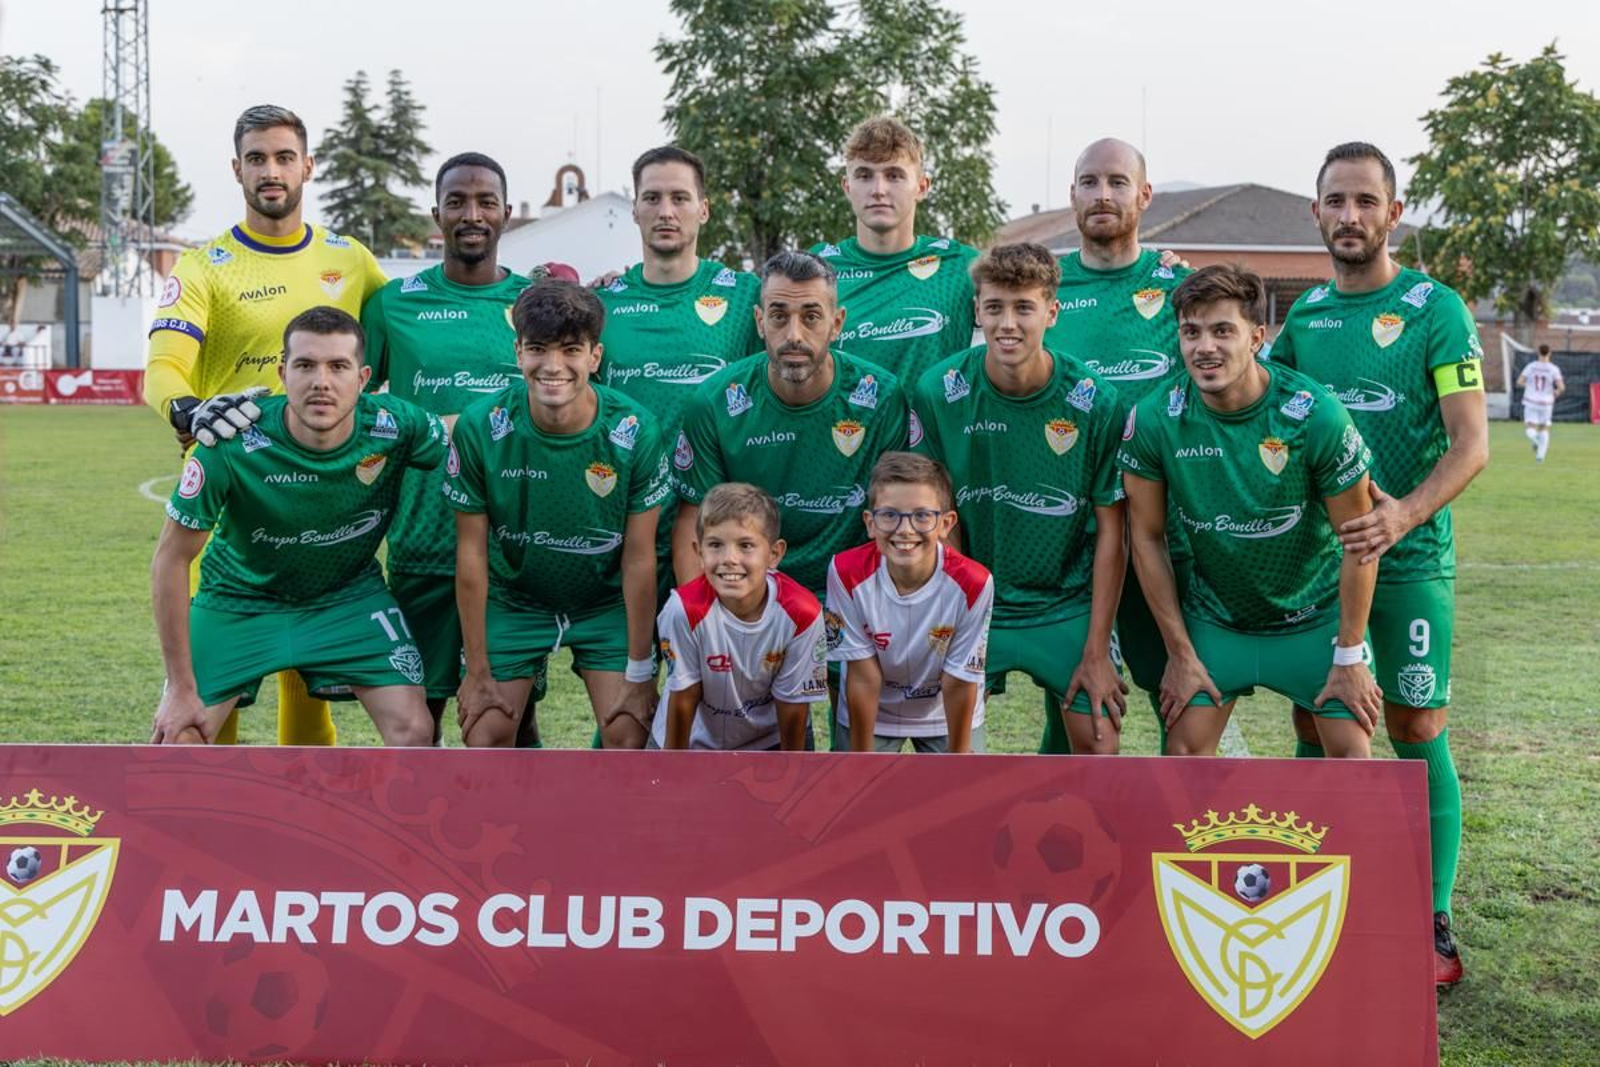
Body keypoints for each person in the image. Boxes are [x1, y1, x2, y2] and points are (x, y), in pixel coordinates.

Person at [1268, 142, 1489, 986]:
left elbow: (1471, 445)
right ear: (1315, 212)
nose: (1350, 215)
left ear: (1394, 213)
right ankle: (1305, 902)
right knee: (1314, 725)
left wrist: (1401, 515)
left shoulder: (1436, 308)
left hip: (1412, 558)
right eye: (1336, 200)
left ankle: (1428, 915)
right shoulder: (1309, 321)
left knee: (1415, 727)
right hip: (1324, 569)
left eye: (1367, 200)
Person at [143, 104, 388, 747]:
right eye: (257, 158)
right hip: (230, 506)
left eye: (284, 157)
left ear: (308, 166)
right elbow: (163, 369)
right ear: (237, 169)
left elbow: (405, 336)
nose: (271, 171)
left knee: (310, 700)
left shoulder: (350, 260)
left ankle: (299, 835)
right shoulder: (203, 268)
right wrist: (189, 411)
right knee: (209, 699)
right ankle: (219, 833)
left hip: (323, 501)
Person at [1119, 265, 1382, 761]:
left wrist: (1349, 655)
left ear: (1257, 337)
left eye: (1223, 331)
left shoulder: (1316, 415)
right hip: (1220, 621)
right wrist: (1179, 651)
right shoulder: (1155, 417)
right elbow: (1148, 537)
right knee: (1182, 753)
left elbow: (1359, 539)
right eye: (1191, 332)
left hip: (1313, 618)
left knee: (1353, 760)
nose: (1204, 347)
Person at [149, 307, 441, 747]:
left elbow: (466, 436)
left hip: (348, 599)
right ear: (283, 373)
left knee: (415, 729)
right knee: (180, 736)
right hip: (239, 601)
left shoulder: (397, 426)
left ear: (363, 378)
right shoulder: (230, 440)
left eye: (338, 366)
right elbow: (171, 558)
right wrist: (180, 687)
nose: (321, 381)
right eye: (305, 365)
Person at [911, 243, 1128, 755]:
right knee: (948, 749)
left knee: (1100, 743)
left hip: (1065, 603)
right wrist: (956, 619)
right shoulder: (940, 391)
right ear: (977, 310)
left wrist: (1096, 651)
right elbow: (942, 519)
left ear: (1051, 312)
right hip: (978, 604)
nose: (1007, 323)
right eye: (994, 308)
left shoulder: (1095, 400)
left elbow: (1113, 532)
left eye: (1023, 308)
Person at [361, 152, 548, 745]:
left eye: (486, 201)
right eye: (458, 202)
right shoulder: (394, 303)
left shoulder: (535, 305)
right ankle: (415, 836)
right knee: (422, 720)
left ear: (507, 214)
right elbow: (357, 405)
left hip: (512, 548)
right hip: (423, 543)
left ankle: (523, 836)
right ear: (435, 212)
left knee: (509, 719)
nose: (472, 214)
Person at [446, 281, 670, 749]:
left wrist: (639, 669)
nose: (553, 366)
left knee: (629, 734)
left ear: (595, 356)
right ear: (517, 352)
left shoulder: (634, 429)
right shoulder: (480, 425)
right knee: (485, 735)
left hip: (602, 603)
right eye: (537, 349)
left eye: (570, 350)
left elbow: (639, 558)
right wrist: (477, 671)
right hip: (515, 601)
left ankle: (605, 823)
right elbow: (470, 555)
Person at [1043, 138, 1196, 746]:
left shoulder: (1179, 284)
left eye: (1117, 182)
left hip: (1161, 530)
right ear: (1072, 194)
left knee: (1177, 700)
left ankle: (1172, 834)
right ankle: (1062, 839)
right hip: (1070, 532)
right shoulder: (1045, 284)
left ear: (1145, 195)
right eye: (1088, 182)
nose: (1102, 195)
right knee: (1073, 706)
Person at [673, 249, 910, 599]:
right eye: (779, 316)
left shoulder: (882, 397)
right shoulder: (713, 401)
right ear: (759, 321)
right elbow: (693, 524)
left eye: (811, 316)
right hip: (749, 598)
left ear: (837, 323)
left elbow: (899, 522)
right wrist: (706, 625)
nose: (794, 335)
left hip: (853, 598)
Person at [596, 146, 764, 602]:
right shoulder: (602, 305)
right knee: (635, 669)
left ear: (703, 209)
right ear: (634, 210)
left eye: (679, 198)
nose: (665, 211)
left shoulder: (749, 299)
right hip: (625, 529)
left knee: (714, 670)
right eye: (651, 198)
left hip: (719, 533)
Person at [827, 452, 993, 753]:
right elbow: (863, 677)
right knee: (855, 795)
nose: (905, 529)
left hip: (943, 712)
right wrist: (862, 764)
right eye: (889, 515)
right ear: (870, 523)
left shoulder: (974, 582)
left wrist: (959, 765)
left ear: (946, 523)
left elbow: (959, 681)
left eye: (922, 515)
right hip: (874, 713)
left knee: (963, 796)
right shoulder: (845, 571)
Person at [653, 483, 828, 750]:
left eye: (746, 545)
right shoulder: (682, 610)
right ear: (699, 552)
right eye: (715, 545)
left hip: (770, 741)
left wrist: (792, 775)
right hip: (689, 741)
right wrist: (674, 772)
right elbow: (684, 697)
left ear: (774, 554)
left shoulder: (802, 614)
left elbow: (793, 706)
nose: (729, 559)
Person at [811, 116, 979, 384]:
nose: (879, 190)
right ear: (847, 187)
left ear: (922, 187)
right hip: (844, 427)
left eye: (894, 176)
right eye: (864, 176)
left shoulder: (962, 266)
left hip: (934, 426)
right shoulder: (816, 270)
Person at [1517, 343, 1564, 462]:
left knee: (1530, 426)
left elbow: (1519, 381)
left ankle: (1535, 439)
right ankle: (1540, 456)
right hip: (1546, 402)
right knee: (1544, 428)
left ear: (1538, 352)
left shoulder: (1531, 367)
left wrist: (1529, 386)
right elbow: (1561, 387)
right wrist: (1556, 392)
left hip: (1531, 400)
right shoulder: (1553, 368)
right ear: (1549, 353)